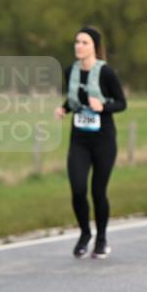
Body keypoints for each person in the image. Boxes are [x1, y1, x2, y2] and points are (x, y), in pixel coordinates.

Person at [54, 27, 127, 258]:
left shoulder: (106, 72)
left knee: (98, 191)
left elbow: (122, 103)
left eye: (84, 42)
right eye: (77, 41)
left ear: (94, 46)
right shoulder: (70, 71)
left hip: (103, 141)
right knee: (77, 189)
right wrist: (64, 108)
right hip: (79, 141)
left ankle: (101, 238)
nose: (79, 46)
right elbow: (74, 99)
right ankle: (85, 233)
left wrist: (103, 107)